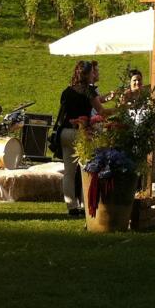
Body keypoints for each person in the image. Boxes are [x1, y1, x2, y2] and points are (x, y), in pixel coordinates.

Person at [57, 61, 98, 216]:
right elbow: (101, 110)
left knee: (68, 172)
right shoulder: (89, 91)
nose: (94, 75)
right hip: (81, 133)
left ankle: (72, 208)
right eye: (92, 72)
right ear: (87, 74)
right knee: (86, 171)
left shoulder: (66, 91)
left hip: (65, 133)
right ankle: (86, 206)